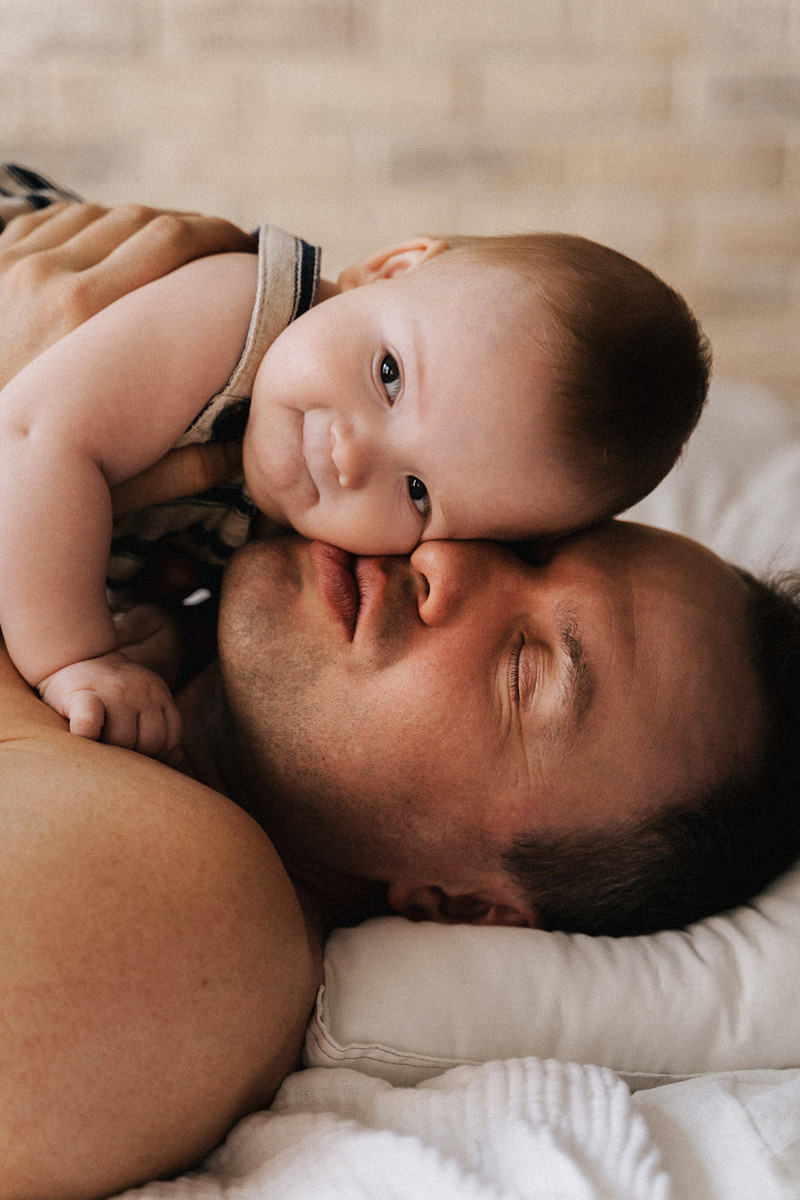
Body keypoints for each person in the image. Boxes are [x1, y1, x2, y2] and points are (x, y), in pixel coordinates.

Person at [1, 199, 799, 1200]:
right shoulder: (158, 545)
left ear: (463, 905)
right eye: (514, 542)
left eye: (526, 671)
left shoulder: (192, 926)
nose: (440, 565)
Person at [0, 166, 710, 759]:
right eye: (390, 376)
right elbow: (35, 437)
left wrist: (151, 632)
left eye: (418, 492)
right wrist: (76, 655)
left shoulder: (313, 539)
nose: (348, 454)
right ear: (388, 270)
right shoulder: (241, 315)